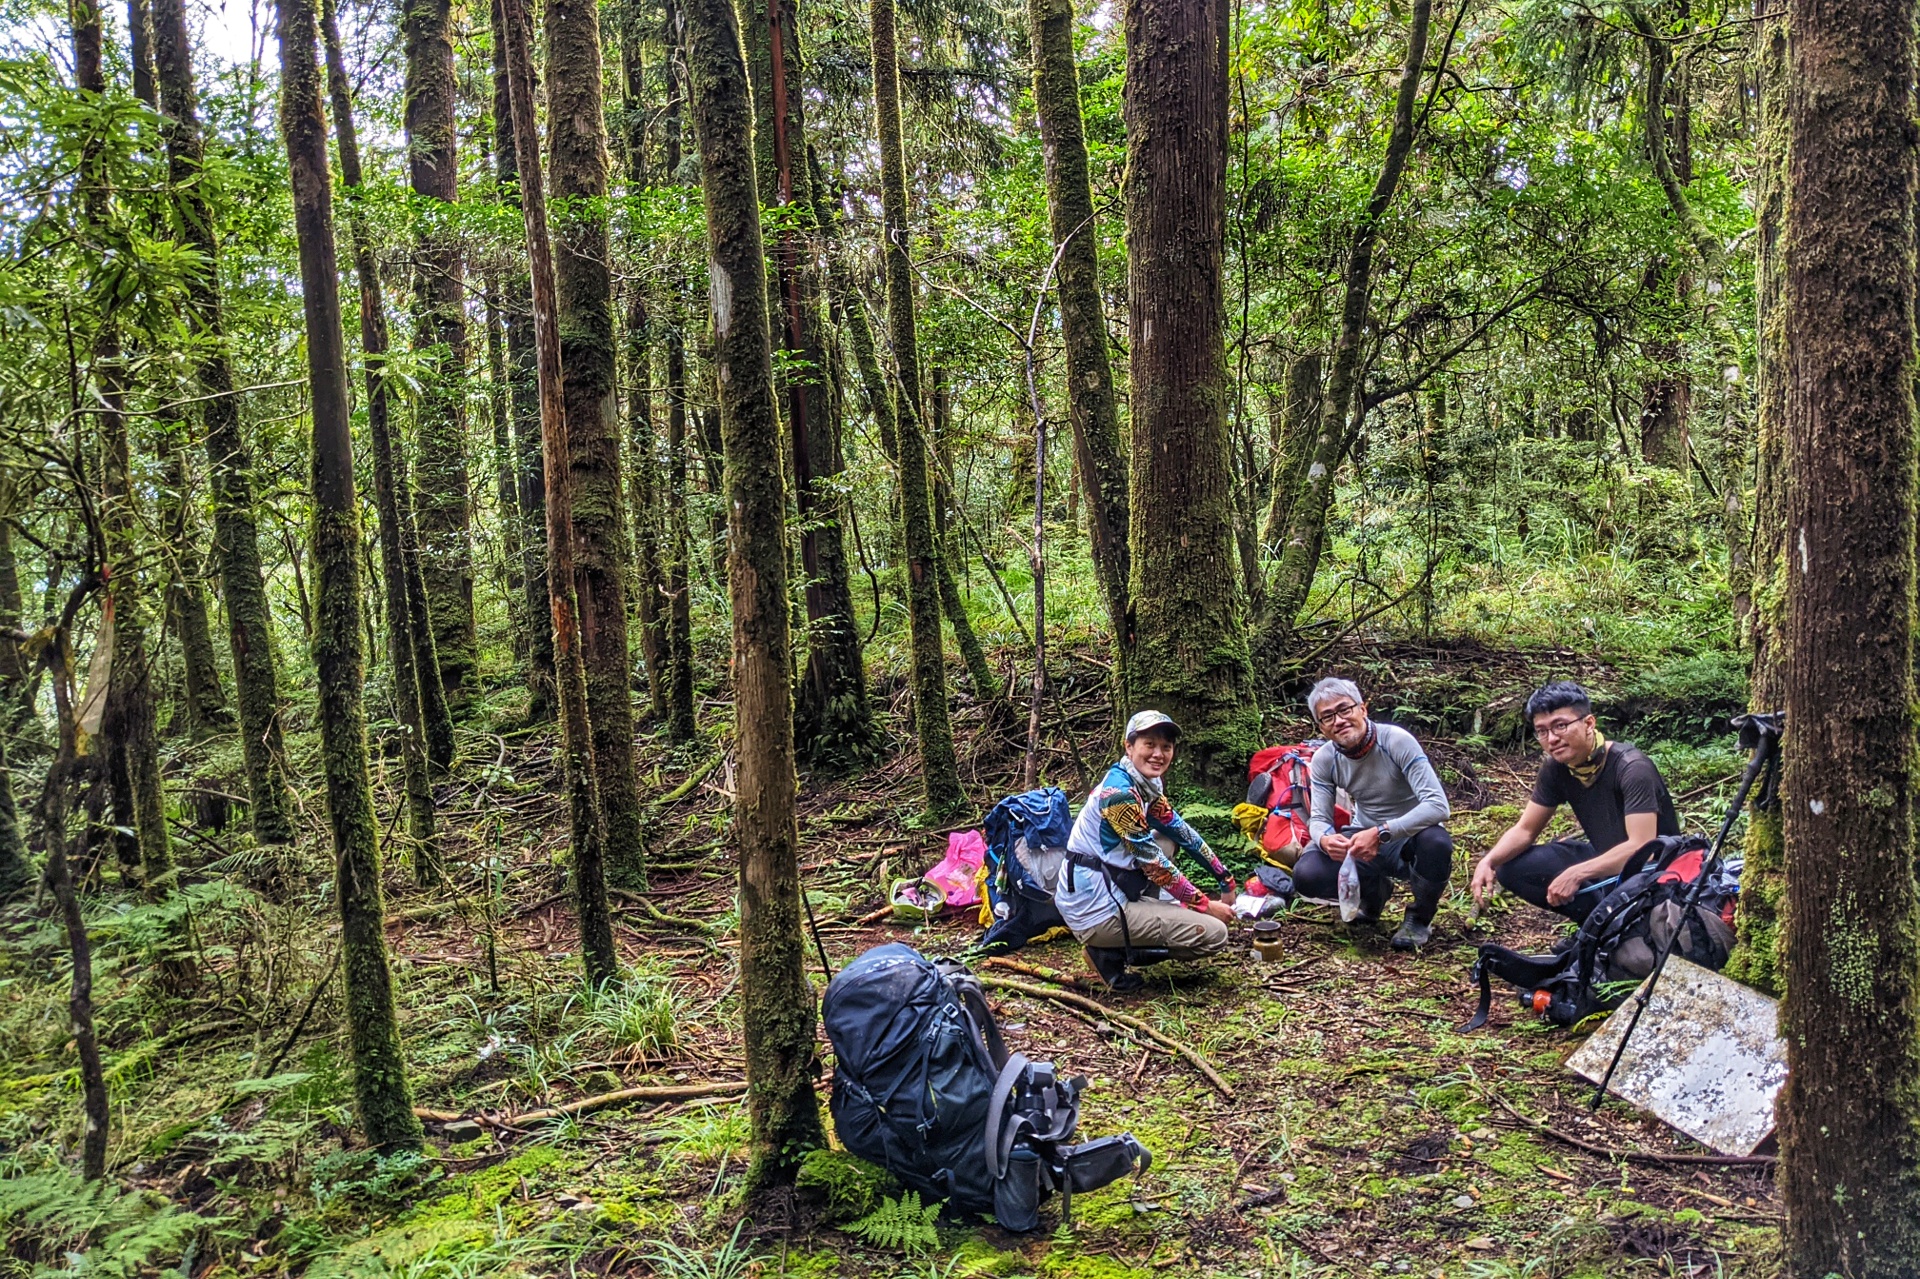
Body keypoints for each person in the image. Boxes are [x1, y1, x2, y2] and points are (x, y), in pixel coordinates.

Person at [1470, 680, 1680, 923]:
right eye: (1542, 731)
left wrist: (1578, 873)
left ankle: (1611, 926)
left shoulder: (1632, 768)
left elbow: (1642, 848)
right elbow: (1525, 830)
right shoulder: (1557, 768)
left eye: (1561, 726)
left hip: (1655, 872)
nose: (1552, 738)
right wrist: (1489, 861)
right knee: (1511, 867)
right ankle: (1597, 923)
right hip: (1605, 857)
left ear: (1589, 723)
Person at [1056, 710, 1236, 991]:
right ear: (1129, 747)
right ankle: (1109, 953)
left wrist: (1224, 877)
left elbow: (1180, 830)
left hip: (1113, 882)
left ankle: (1140, 920)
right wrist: (1205, 905)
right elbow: (1154, 864)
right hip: (1096, 909)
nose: (1158, 754)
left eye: (1166, 747)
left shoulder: (1145, 784)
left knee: (1167, 838)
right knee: (1215, 934)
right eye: (1149, 744)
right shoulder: (1120, 795)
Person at [1289, 678, 1454, 950]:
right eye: (1327, 717)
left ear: (1362, 709)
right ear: (1321, 727)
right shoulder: (1325, 759)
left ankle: (1419, 919)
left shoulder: (1396, 742)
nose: (1339, 721)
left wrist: (1381, 832)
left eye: (1345, 710)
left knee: (1436, 842)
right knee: (1308, 873)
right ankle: (1374, 894)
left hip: (1409, 837)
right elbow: (1319, 819)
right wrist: (1325, 840)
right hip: (1362, 836)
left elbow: (1438, 805)